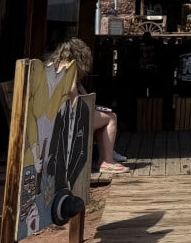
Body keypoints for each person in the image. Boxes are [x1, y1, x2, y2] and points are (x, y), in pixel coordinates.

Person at [46, 38, 129, 173]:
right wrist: (81, 106)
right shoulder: (70, 66)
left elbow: (78, 89)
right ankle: (106, 160)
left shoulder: (53, 65)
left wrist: (90, 104)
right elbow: (72, 90)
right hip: (66, 119)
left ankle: (105, 157)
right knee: (111, 117)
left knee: (101, 116)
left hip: (52, 116)